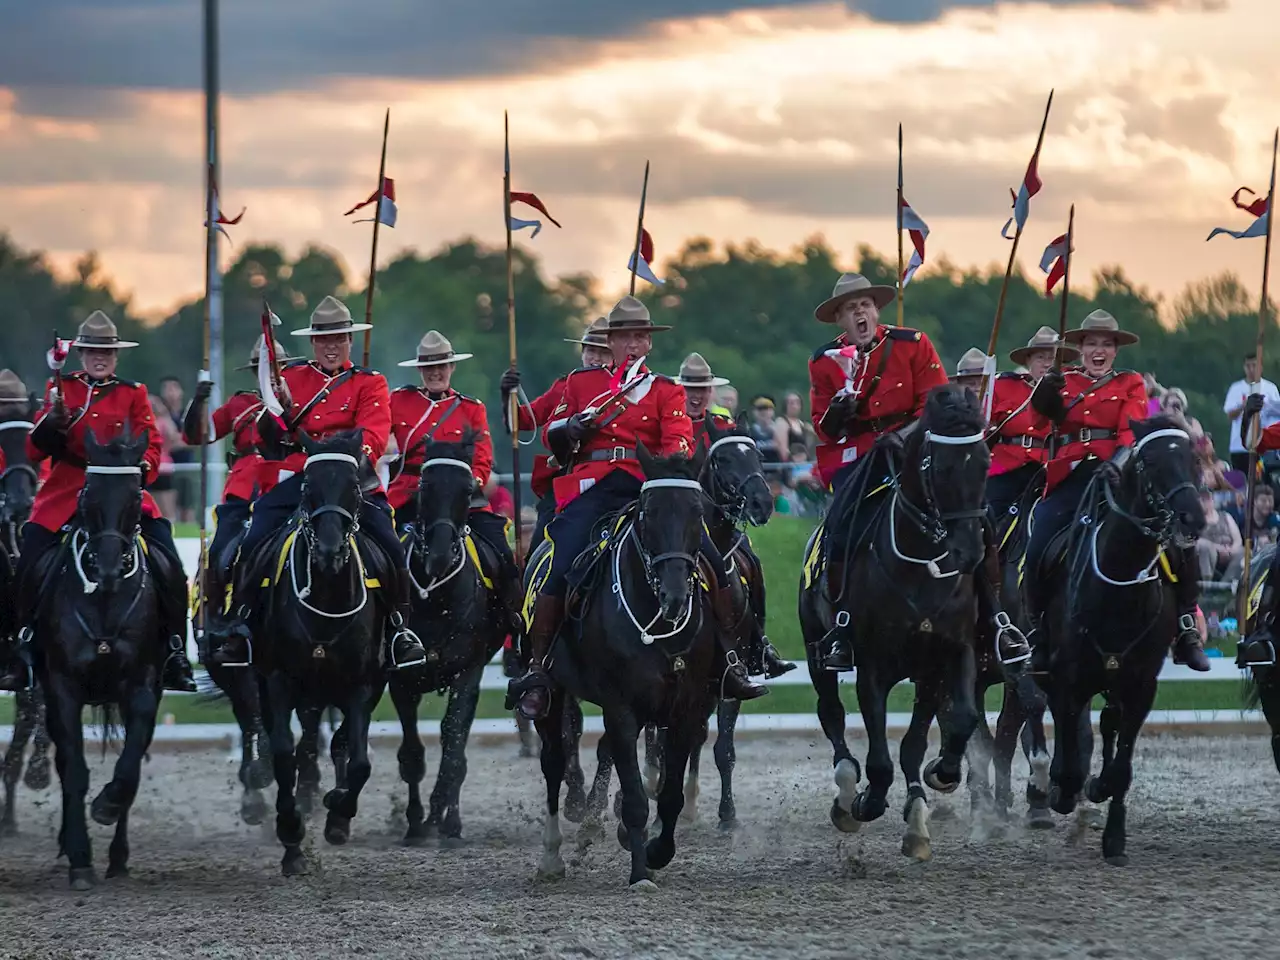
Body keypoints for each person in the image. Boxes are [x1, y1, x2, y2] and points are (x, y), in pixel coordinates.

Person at [505, 295, 766, 720]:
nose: (633, 343)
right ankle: (538, 668)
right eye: (626, 336)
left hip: (646, 487)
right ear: (612, 341)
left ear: (648, 344)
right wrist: (572, 428)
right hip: (591, 487)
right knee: (555, 565)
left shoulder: (666, 389)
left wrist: (664, 463)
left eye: (641, 336)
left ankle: (730, 660)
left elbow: (679, 439)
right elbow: (552, 432)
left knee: (715, 563)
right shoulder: (579, 384)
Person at [808, 274, 1030, 672]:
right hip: (858, 453)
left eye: (865, 306)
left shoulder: (912, 344)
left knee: (972, 515)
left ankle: (997, 618)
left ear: (876, 311)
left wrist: (907, 435)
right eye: (850, 309)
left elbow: (936, 403)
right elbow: (823, 427)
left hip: (914, 446)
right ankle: (843, 622)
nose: (859, 314)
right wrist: (838, 413)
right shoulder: (824, 361)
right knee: (841, 523)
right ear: (840, 319)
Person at [206, 296, 426, 670]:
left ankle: (399, 629)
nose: (331, 346)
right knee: (255, 537)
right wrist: (282, 409)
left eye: (339, 339)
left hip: (352, 479)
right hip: (303, 477)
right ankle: (240, 624)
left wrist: (350, 462)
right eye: (324, 340)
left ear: (349, 342)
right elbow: (269, 436)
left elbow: (374, 430)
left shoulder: (370, 383)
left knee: (390, 546)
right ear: (312, 343)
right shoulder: (291, 379)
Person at [0, 311, 196, 692]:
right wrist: (52, 422)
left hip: (120, 489)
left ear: (116, 356)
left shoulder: (132, 393)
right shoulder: (61, 388)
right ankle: (20, 650)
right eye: (92, 350)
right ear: (81, 354)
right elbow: (33, 448)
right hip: (68, 490)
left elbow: (152, 442)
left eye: (106, 350)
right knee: (27, 564)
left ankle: (174, 651)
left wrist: (140, 468)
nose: (99, 357)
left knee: (169, 562)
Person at [1025, 309, 1209, 671]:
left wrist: (1120, 461)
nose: (1099, 350)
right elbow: (1038, 422)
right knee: (1039, 541)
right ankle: (1039, 631)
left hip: (1119, 474)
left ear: (1115, 351)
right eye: (1091, 343)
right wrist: (1044, 396)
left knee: (1173, 541)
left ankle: (1186, 625)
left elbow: (1130, 429)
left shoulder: (1130, 383)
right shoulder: (1063, 379)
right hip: (1071, 475)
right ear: (1079, 348)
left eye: (1106, 344)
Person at [388, 329, 522, 631]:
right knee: (379, 550)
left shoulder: (471, 408)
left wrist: (464, 486)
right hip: (410, 495)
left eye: (441, 366)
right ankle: (385, 621)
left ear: (452, 368)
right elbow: (384, 441)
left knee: (501, 551)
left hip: (461, 497)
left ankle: (511, 620)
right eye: (429, 367)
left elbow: (483, 459)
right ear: (420, 370)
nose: (435, 373)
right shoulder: (398, 401)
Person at [675, 351, 794, 678]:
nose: (696, 395)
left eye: (702, 389)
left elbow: (742, 468)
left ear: (710, 392)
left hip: (718, 522)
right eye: (690, 388)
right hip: (678, 519)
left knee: (752, 564)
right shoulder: (669, 422)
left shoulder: (726, 426)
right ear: (681, 390)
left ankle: (758, 645)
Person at [182, 335, 293, 642]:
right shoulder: (240, 404)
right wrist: (199, 402)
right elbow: (199, 434)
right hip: (244, 492)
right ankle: (216, 616)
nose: (268, 373)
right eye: (261, 367)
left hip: (285, 487)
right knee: (220, 553)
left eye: (274, 367)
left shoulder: (298, 398)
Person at [501, 317, 612, 552]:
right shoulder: (566, 385)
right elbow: (521, 421)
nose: (595, 358)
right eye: (591, 351)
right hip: (570, 472)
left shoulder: (626, 386)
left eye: (603, 352)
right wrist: (506, 395)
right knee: (543, 534)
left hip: (616, 472)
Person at [985, 327, 1079, 522]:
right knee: (987, 515)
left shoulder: (1070, 393)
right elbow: (983, 424)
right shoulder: (1004, 386)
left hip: (1046, 467)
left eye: (1052, 358)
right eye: (1040, 358)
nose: (1046, 364)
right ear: (1028, 361)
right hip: (1006, 465)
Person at [1224, 352, 1280, 472]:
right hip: (1240, 446)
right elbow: (1230, 415)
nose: (1251, 369)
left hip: (1267, 446)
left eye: (1254, 365)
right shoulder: (1236, 388)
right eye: (1248, 366)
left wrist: (1267, 406)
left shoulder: (1270, 388)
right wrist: (1244, 407)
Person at [1194, 487, 1243, 582]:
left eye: (1208, 498)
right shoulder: (1197, 520)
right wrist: (1218, 548)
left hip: (1229, 551)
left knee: (1244, 552)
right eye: (1202, 499)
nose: (1206, 502)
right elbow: (1196, 540)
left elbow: (1238, 539)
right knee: (1204, 547)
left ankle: (1225, 585)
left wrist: (1231, 550)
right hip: (1210, 552)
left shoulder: (1225, 516)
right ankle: (1207, 585)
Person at [747, 396, 782, 462]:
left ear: (773, 411)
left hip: (777, 468)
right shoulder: (748, 431)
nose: (763, 412)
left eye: (766, 408)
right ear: (754, 412)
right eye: (759, 409)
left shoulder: (781, 430)